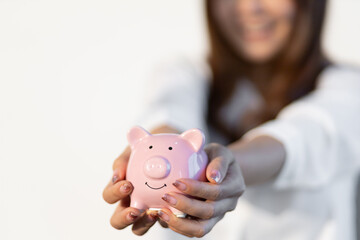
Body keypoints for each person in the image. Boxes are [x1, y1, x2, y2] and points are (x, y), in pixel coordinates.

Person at [103, 0, 360, 239]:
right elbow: (169, 111)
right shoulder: (182, 73)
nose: (250, 8)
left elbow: (306, 135)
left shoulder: (348, 87)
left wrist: (225, 166)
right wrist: (156, 151)